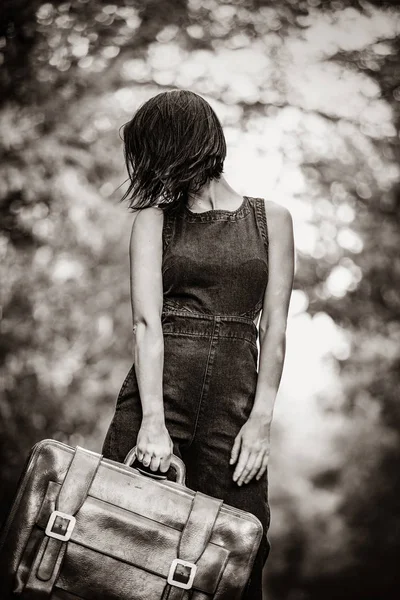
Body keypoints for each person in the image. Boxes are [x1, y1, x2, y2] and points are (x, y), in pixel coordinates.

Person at [102, 89, 294, 599]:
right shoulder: (153, 220)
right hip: (157, 404)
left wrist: (261, 420)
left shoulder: (272, 218)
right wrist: (151, 423)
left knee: (240, 555)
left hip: (236, 410)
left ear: (178, 145)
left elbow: (275, 327)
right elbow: (147, 324)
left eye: (151, 149)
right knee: (122, 546)